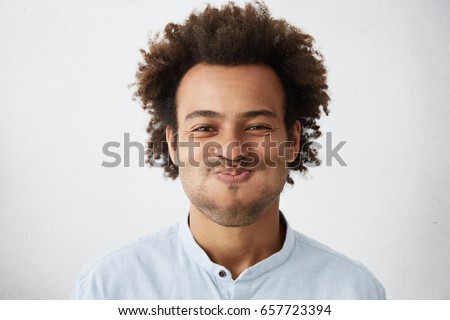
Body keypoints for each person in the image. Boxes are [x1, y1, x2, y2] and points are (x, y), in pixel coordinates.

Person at [72, 1, 385, 299]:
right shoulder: (107, 288)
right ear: (174, 144)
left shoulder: (354, 292)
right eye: (205, 128)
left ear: (292, 141)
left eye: (257, 126)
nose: (232, 150)